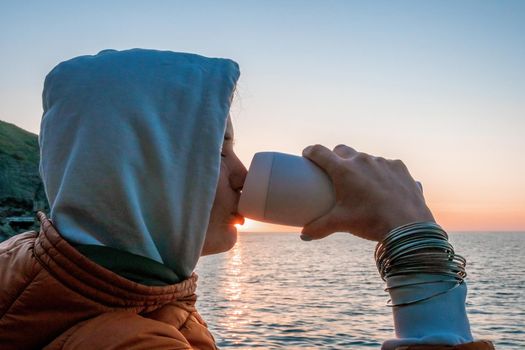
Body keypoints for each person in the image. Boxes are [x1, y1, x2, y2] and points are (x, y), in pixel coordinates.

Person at [0, 49, 493, 349]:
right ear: (142, 165)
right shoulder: (128, 340)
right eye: (218, 150)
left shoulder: (25, 261)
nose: (242, 175)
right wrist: (413, 243)